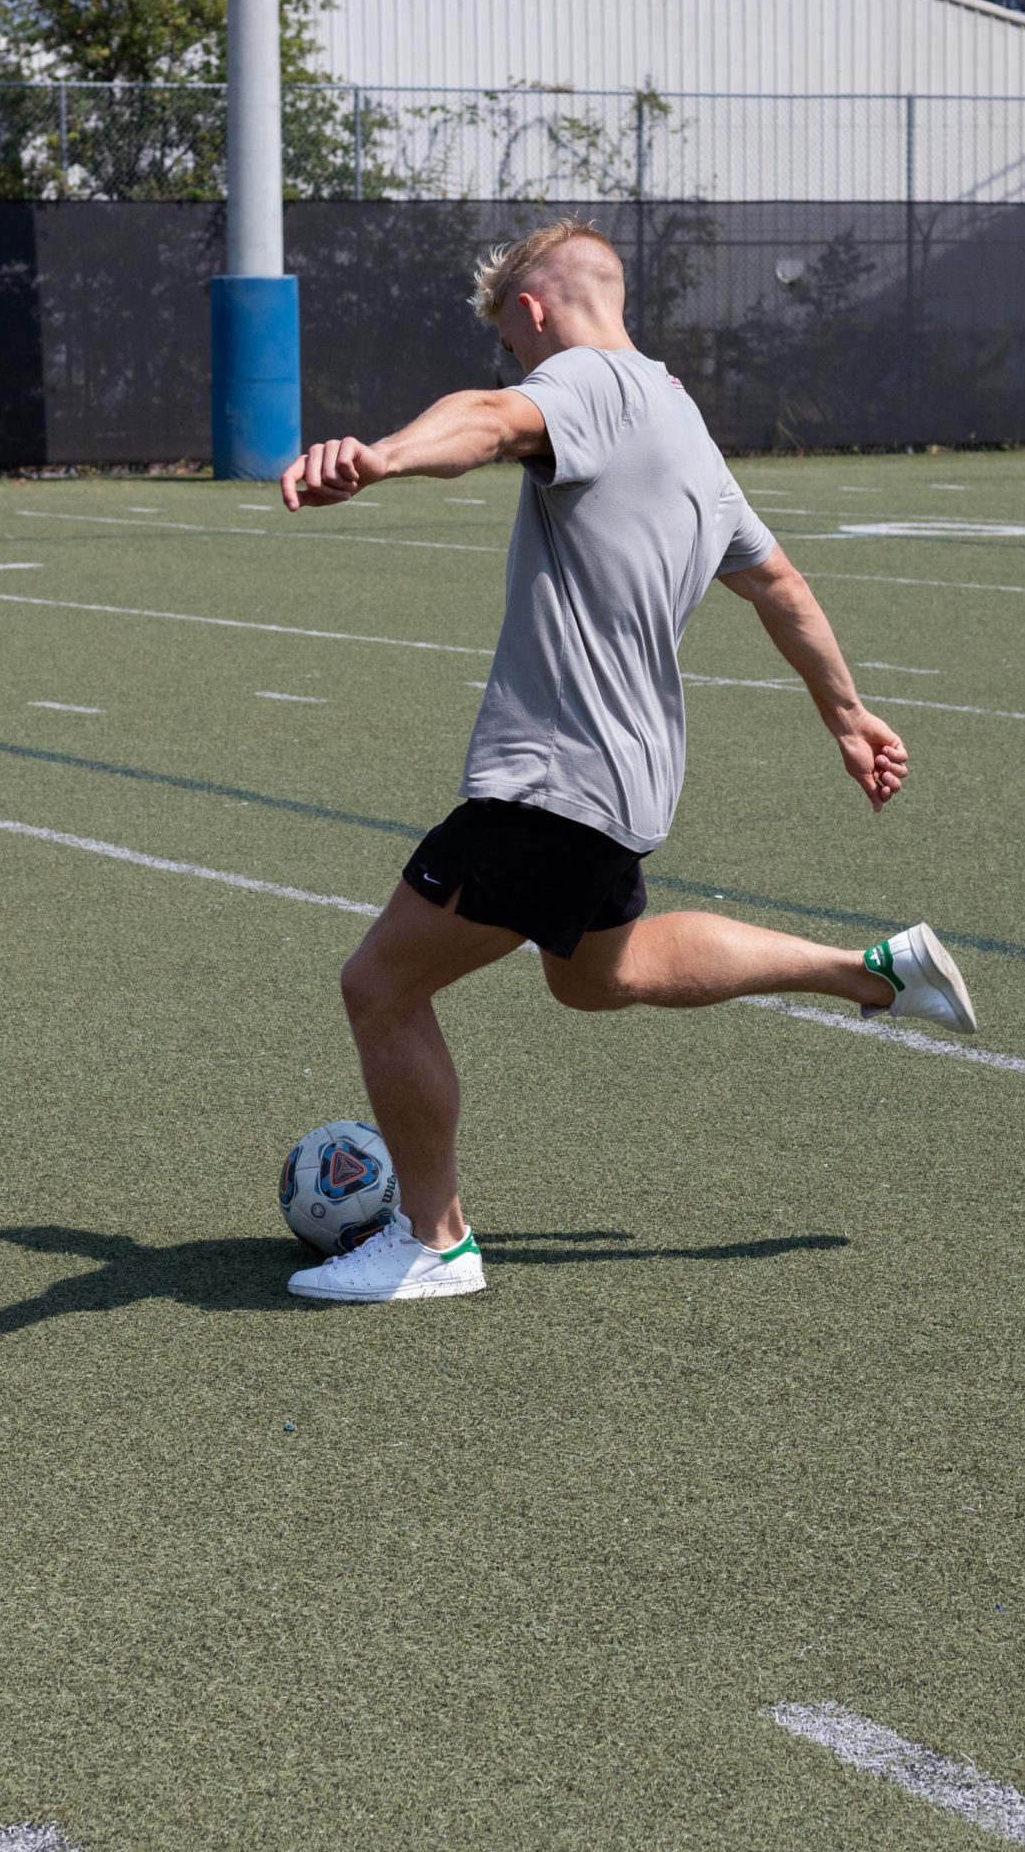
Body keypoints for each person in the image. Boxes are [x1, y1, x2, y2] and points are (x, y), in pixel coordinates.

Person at [275, 219, 976, 1303]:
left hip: (553, 780)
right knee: (602, 975)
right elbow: (779, 584)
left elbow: (488, 419)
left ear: (533, 313)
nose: (514, 367)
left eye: (509, 343)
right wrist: (846, 711)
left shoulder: (586, 384)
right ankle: (873, 975)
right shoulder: (684, 426)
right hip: (626, 782)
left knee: (379, 987)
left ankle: (434, 1241)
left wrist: (381, 455)